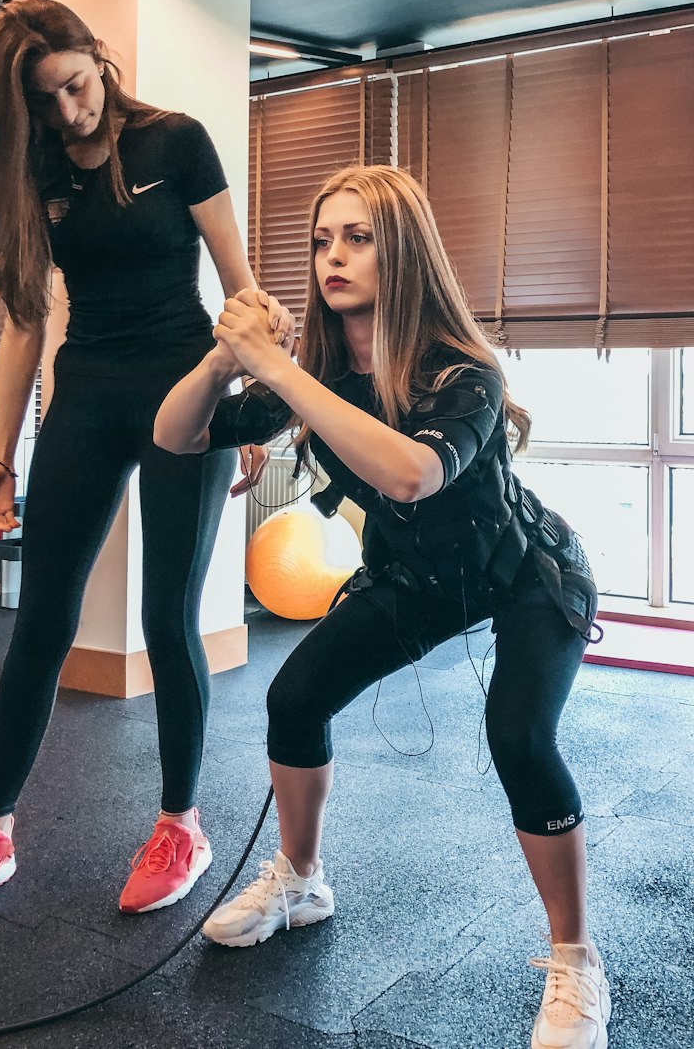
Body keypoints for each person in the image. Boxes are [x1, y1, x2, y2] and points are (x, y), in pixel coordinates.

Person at [155, 164, 612, 1049]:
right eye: (323, 238)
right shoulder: (323, 368)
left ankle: (576, 956)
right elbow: (174, 436)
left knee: (519, 735)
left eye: (357, 238)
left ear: (400, 252)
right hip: (414, 577)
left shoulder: (462, 371)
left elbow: (410, 469)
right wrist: (225, 356)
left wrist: (279, 371)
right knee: (294, 699)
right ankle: (301, 875)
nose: (334, 255)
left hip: (525, 573)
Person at [0, 0, 287, 923]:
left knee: (167, 617)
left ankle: (181, 822)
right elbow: (23, 318)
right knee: (43, 622)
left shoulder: (177, 143)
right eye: (46, 102)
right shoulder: (39, 167)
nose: (69, 112)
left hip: (186, 392)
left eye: (76, 86)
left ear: (99, 56)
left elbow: (241, 285)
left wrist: (248, 412)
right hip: (86, 393)